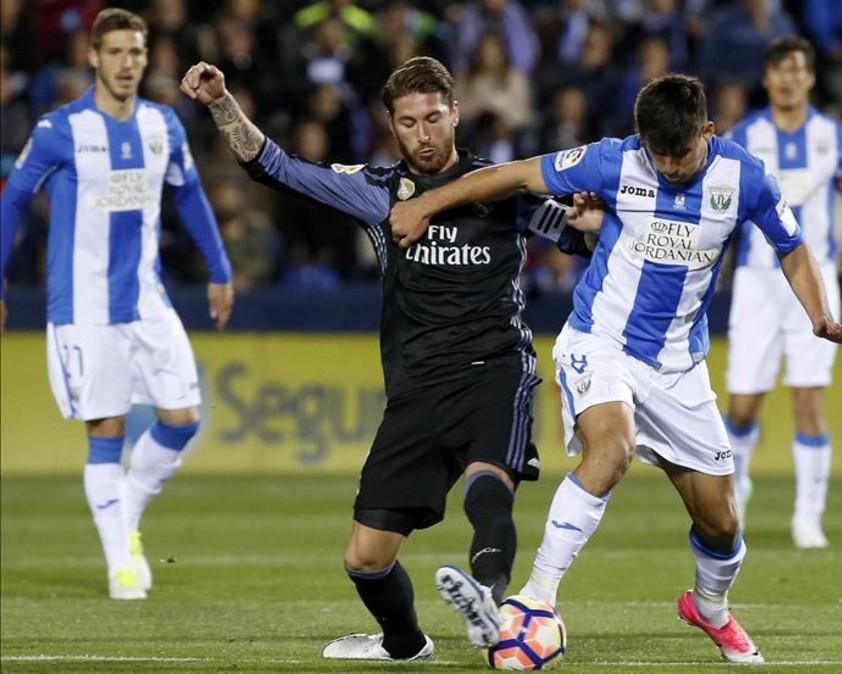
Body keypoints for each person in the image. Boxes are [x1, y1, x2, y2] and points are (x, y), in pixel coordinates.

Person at [389, 73, 842, 664]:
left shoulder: (745, 177)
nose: (669, 166)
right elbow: (511, 175)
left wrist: (819, 317)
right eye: (658, 154)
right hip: (601, 341)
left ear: (709, 132)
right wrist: (424, 203)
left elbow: (792, 247)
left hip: (678, 367)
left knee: (721, 525)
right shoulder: (612, 161)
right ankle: (536, 599)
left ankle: (709, 607)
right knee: (610, 452)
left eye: (682, 153)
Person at [180, 55, 599, 662]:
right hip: (417, 387)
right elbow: (273, 166)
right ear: (391, 127)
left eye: (433, 118)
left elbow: (580, 236)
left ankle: (491, 602)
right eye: (408, 123)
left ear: (455, 114)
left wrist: (589, 222)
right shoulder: (375, 192)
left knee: (489, 487)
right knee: (365, 559)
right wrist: (222, 102)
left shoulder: (501, 187)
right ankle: (405, 644)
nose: (424, 134)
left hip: (495, 369)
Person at [0, 8, 233, 602]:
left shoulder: (164, 125)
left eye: (137, 52)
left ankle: (123, 515)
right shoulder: (60, 130)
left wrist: (219, 268)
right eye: (116, 53)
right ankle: (120, 562)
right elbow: (12, 204)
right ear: (93, 58)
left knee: (183, 417)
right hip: (82, 308)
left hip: (147, 300)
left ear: (146, 57)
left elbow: (191, 196)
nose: (128, 63)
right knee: (104, 428)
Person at [723, 36, 842, 548]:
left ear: (810, 78)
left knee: (809, 400)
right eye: (778, 70)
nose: (787, 78)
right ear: (767, 79)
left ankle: (808, 516)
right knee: (743, 405)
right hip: (757, 280)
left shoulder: (834, 137)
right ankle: (735, 489)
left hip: (815, 278)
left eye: (796, 70)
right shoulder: (744, 136)